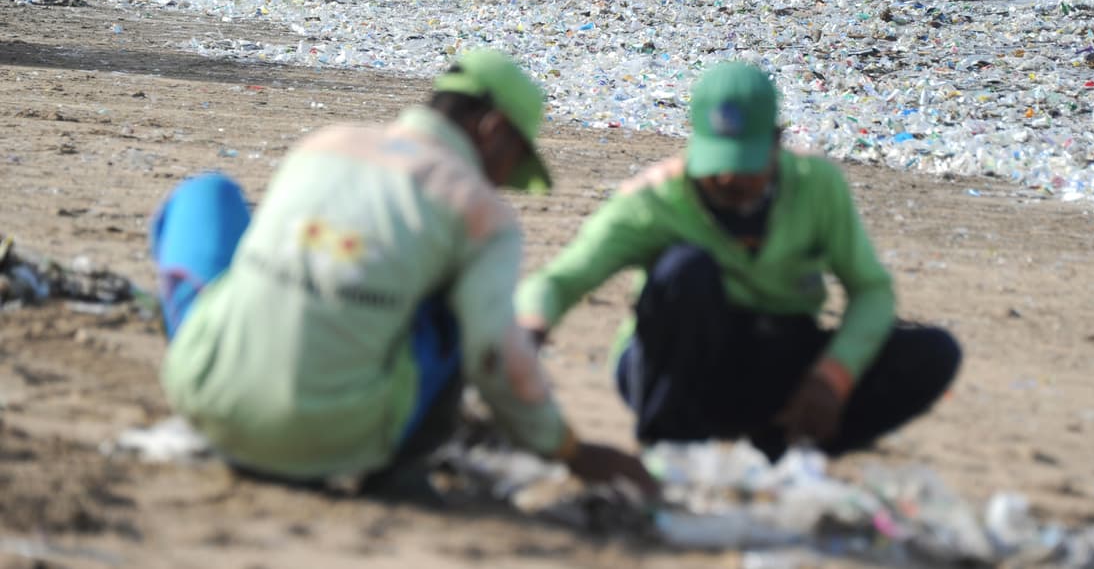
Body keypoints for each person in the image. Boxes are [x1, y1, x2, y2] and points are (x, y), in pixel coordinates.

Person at [152, 49, 655, 495]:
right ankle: (401, 472)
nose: (502, 181)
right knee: (460, 302)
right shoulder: (478, 211)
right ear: (494, 130)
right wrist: (569, 450)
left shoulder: (325, 144)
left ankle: (211, 361)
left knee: (208, 195)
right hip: (331, 441)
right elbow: (494, 356)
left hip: (205, 401)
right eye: (514, 161)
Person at [516, 62, 962, 462]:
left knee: (933, 353)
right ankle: (673, 449)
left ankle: (790, 451)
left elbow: (870, 289)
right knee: (685, 270)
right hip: (676, 366)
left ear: (777, 143)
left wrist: (834, 375)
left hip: (778, 359)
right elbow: (562, 279)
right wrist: (531, 328)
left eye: (746, 165)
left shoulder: (817, 186)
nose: (730, 179)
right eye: (718, 163)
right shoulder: (652, 201)